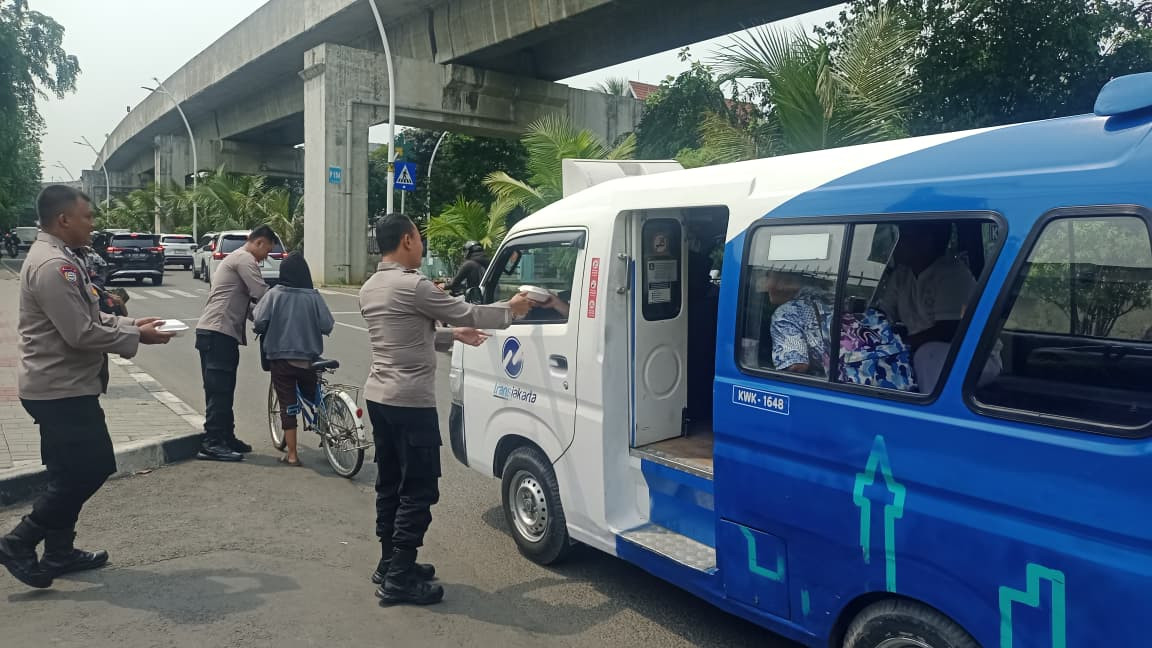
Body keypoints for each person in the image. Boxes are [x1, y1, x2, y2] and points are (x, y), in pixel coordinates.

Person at [0, 186, 173, 589]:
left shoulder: (62, 260)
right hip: (61, 389)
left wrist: (134, 324)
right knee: (93, 468)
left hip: (60, 384)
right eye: (88, 217)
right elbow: (80, 332)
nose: (92, 224)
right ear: (64, 220)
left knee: (65, 472)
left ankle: (59, 551)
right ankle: (18, 540)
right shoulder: (53, 267)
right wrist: (138, 338)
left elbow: (90, 317)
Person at [360, 214, 533, 606]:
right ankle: (399, 578)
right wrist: (512, 309)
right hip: (409, 402)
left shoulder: (371, 286)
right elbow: (467, 311)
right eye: (419, 238)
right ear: (407, 241)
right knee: (419, 488)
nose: (421, 245)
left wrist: (452, 336)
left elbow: (407, 335)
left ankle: (390, 562)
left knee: (390, 483)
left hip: (380, 399)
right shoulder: (413, 285)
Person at [194, 225, 278, 462]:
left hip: (221, 334)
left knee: (225, 388)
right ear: (259, 242)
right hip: (217, 333)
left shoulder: (238, 259)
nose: (265, 258)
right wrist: (286, 304)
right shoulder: (244, 259)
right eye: (267, 251)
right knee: (218, 390)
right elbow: (261, 293)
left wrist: (261, 320)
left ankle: (226, 437)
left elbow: (249, 307)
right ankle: (211, 442)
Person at [252, 252, 334, 466]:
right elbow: (327, 325)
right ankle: (328, 428)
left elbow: (259, 320)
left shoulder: (275, 294)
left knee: (288, 404)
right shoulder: (313, 295)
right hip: (309, 359)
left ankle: (292, 455)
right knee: (314, 397)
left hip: (282, 360)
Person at [876, 222, 977, 348]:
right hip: (921, 353)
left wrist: (899, 344)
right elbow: (884, 314)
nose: (897, 244)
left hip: (956, 355)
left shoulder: (953, 274)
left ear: (926, 241)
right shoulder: (902, 274)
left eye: (904, 236)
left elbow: (947, 332)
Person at [762, 271, 835, 375]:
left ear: (785, 282)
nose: (766, 286)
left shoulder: (787, 314)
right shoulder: (836, 300)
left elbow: (796, 367)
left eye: (768, 277)